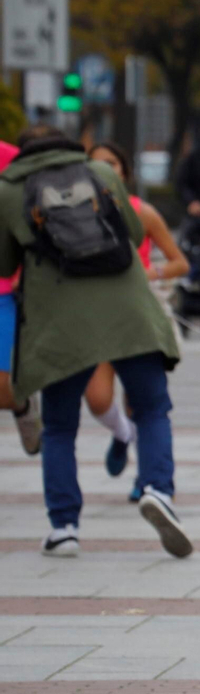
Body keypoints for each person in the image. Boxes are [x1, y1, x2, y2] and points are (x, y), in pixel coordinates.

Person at [0, 126, 188, 559]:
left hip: (60, 321)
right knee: (152, 408)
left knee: (59, 426)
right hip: (129, 311)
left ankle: (64, 526)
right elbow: (134, 234)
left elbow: (4, 264)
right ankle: (159, 491)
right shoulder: (101, 173)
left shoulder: (10, 190)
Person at [85, 143, 190, 500]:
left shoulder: (142, 212)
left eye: (111, 163)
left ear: (124, 171)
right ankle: (122, 434)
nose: (103, 170)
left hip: (136, 316)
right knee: (98, 399)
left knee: (141, 400)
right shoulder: (76, 213)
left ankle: (148, 480)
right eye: (95, 164)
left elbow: (180, 262)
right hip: (95, 318)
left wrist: (149, 272)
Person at [0, 135, 39, 456]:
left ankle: (23, 406)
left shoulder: (13, 160)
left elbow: (37, 219)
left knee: (4, 388)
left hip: (3, 289)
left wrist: (23, 270)